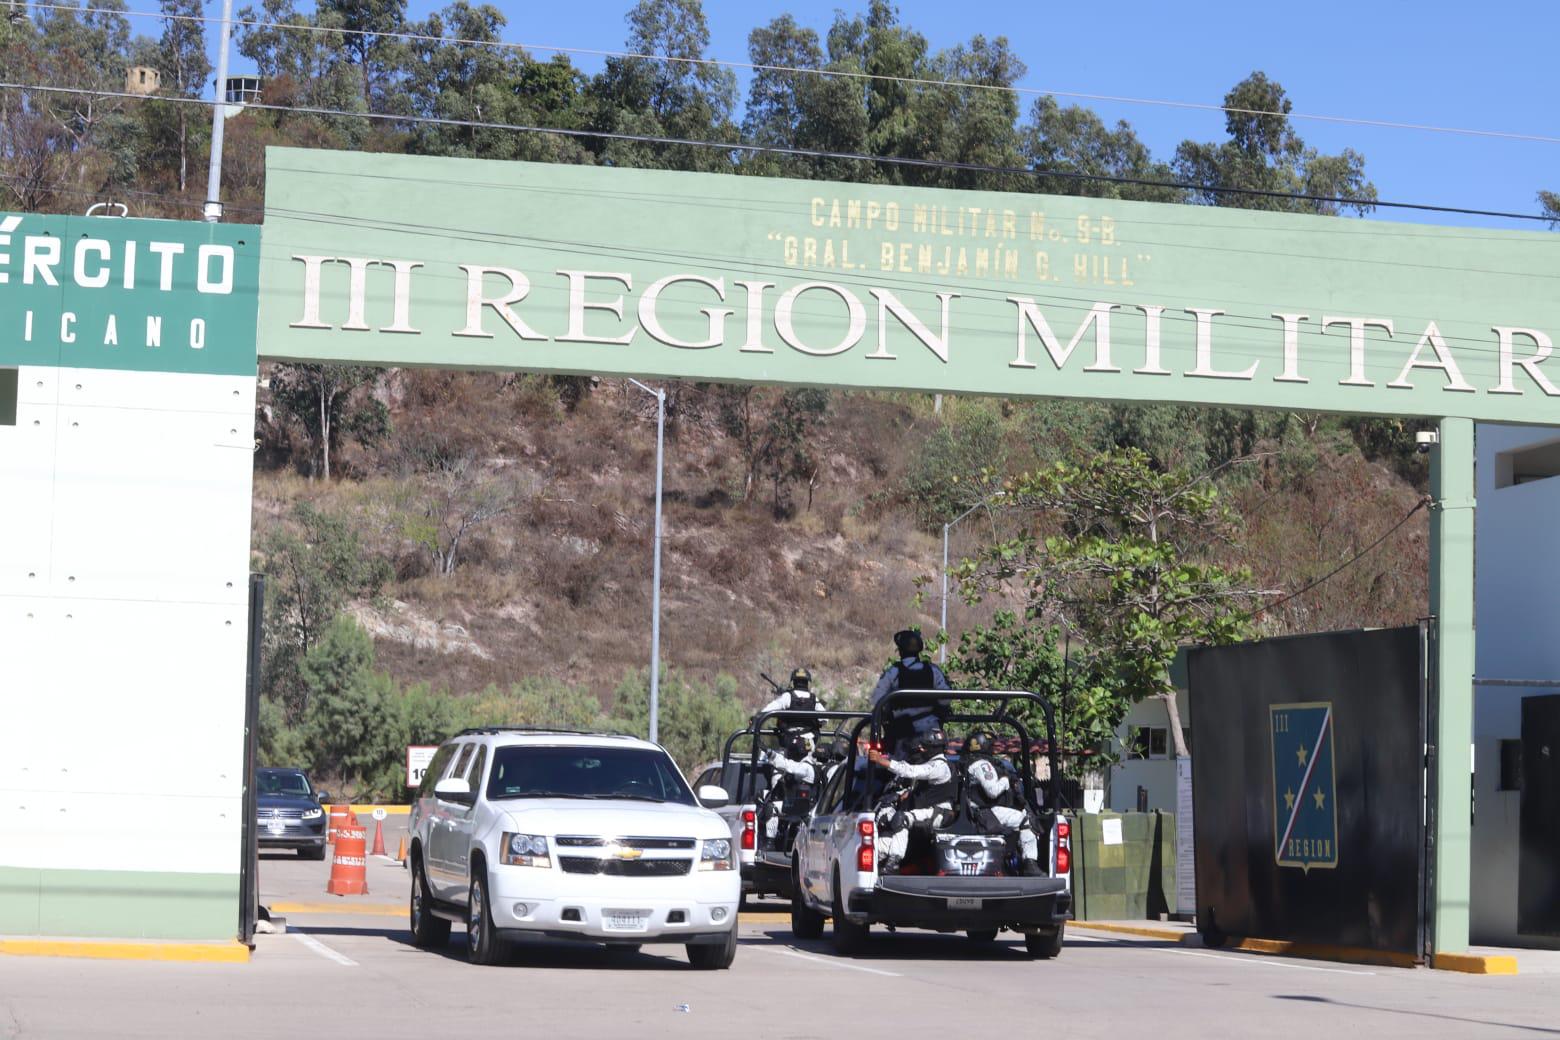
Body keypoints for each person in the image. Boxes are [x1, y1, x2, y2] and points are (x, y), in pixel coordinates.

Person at [867, 727, 957, 874]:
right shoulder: (934, 766)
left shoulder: (939, 766)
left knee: (901, 819)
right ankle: (881, 862)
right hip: (928, 812)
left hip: (940, 814)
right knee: (883, 837)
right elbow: (924, 789)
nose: (921, 749)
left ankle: (893, 863)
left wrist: (881, 761)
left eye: (925, 746)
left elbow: (911, 771)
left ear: (934, 748)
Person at [961, 729, 1044, 876]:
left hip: (981, 811)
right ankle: (1029, 864)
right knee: (1026, 821)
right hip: (987, 812)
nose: (993, 749)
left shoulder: (970, 763)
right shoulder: (982, 765)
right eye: (990, 745)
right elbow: (992, 790)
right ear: (983, 745)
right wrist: (1006, 780)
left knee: (1022, 814)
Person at [869, 630, 952, 752]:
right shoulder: (933, 670)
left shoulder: (893, 672)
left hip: (902, 735)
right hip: (932, 734)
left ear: (900, 651)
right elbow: (946, 699)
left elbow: (877, 701)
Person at [758, 732, 820, 848]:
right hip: (798, 803)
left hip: (803, 807)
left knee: (772, 808)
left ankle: (770, 842)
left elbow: (787, 765)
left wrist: (769, 752)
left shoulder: (806, 767)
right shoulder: (805, 765)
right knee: (765, 798)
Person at [758, 667, 822, 739]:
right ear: (807, 682)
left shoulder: (787, 696)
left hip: (789, 738)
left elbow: (768, 709)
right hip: (810, 739)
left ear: (794, 682)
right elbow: (824, 719)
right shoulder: (813, 698)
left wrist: (757, 717)